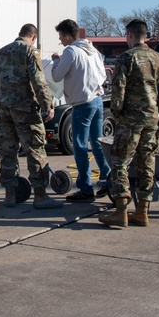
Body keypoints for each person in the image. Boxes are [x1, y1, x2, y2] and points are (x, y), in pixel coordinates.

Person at [100, 19, 159, 228]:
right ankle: (142, 211)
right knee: (146, 164)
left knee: (120, 162)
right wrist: (157, 109)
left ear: (130, 35)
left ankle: (121, 211)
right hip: (151, 120)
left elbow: (118, 89)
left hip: (129, 120)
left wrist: (117, 112)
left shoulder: (126, 58)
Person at [0, 23, 57, 209]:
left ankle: (10, 195)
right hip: (25, 109)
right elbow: (39, 81)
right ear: (33, 37)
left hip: (4, 109)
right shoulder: (30, 51)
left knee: (8, 151)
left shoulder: (2, 52)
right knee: (35, 150)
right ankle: (40, 195)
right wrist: (47, 106)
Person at [48, 19, 110, 202]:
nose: (60, 40)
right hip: (97, 99)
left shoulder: (71, 51)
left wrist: (56, 61)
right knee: (98, 143)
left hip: (82, 103)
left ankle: (85, 187)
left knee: (80, 146)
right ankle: (108, 180)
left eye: (61, 37)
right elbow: (104, 74)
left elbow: (57, 76)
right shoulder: (92, 50)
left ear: (67, 36)